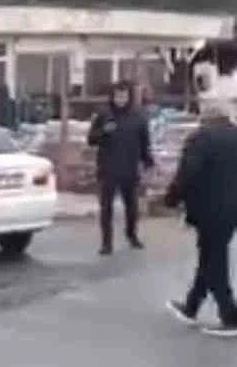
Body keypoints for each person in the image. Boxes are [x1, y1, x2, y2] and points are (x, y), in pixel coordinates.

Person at [163, 98, 237, 335]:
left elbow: (188, 173)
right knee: (210, 256)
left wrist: (171, 199)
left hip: (208, 208)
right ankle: (191, 307)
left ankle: (231, 316)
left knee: (214, 261)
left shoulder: (201, 139)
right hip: (231, 209)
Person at [87, 81, 154, 255]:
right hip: (108, 169)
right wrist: (103, 132)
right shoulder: (104, 115)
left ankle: (131, 235)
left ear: (129, 97)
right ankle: (106, 243)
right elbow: (91, 139)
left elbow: (144, 142)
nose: (121, 99)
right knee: (106, 208)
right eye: (118, 96)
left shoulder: (138, 116)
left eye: (124, 96)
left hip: (129, 168)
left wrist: (148, 161)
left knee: (131, 206)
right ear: (113, 96)